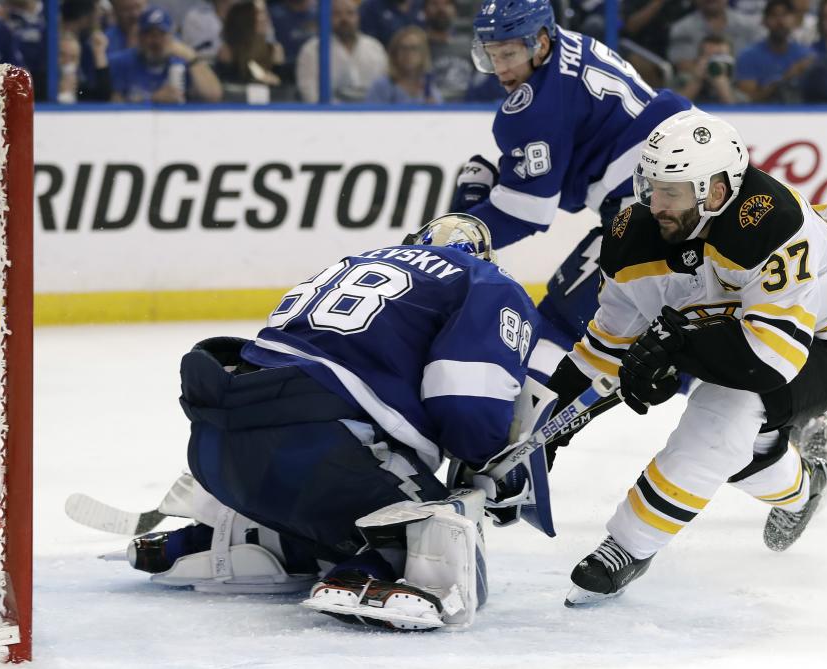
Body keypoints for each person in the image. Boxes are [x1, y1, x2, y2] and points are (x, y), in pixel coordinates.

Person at [119, 214, 553, 631]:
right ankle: (369, 569)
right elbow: (467, 402)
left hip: (216, 449)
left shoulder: (359, 260)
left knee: (316, 487)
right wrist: (494, 464)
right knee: (433, 526)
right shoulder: (486, 280)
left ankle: (211, 539)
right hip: (320, 447)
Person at [541, 110, 827, 606]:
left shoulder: (772, 226)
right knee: (746, 451)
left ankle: (628, 544)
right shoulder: (636, 236)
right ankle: (808, 483)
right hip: (752, 335)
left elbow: (770, 360)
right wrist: (545, 425)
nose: (654, 203)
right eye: (651, 186)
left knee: (723, 421)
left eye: (673, 192)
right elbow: (605, 346)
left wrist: (676, 348)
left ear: (718, 192)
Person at [450, 0, 693, 382]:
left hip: (652, 202)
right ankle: (775, 408)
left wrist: (450, 239)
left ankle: (522, 435)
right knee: (692, 332)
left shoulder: (534, 107)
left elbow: (527, 213)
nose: (501, 69)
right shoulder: (570, 44)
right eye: (491, 55)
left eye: (509, 53)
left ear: (540, 42)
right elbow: (565, 169)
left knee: (561, 322)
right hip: (701, 170)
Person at [109, 5, 222, 103]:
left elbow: (213, 96)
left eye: (161, 34)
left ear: (171, 37)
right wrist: (152, 99)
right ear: (139, 37)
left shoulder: (183, 61)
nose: (155, 41)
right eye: (149, 34)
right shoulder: (121, 62)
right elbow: (112, 104)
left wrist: (191, 57)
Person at [295, 0, 388, 103]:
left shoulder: (375, 47)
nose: (344, 19)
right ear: (327, 17)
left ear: (358, 17)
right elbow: (309, 89)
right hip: (329, 113)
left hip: (372, 112)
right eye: (337, 13)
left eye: (350, 13)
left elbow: (384, 87)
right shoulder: (312, 49)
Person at [735, 0, 814, 103]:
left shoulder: (805, 55)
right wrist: (787, 77)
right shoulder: (748, 57)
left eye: (785, 15)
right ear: (764, 21)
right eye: (774, 15)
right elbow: (748, 100)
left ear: (794, 20)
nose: (780, 21)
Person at [364, 25, 442, 104]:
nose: (408, 53)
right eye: (403, 48)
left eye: (414, 48)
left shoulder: (430, 89)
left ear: (423, 54)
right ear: (395, 54)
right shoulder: (381, 87)